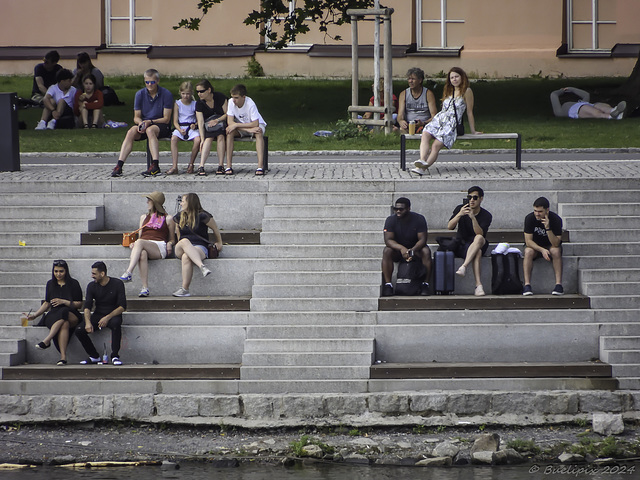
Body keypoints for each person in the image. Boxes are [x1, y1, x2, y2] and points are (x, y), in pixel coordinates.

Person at [411, 67, 479, 175]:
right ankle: (422, 160)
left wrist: (473, 130)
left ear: (462, 77)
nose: (454, 79)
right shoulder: (449, 90)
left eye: (456, 76)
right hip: (439, 119)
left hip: (451, 124)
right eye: (452, 77)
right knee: (425, 134)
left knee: (436, 146)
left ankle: (422, 169)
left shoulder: (467, 91)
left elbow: (469, 112)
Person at [110, 69, 173, 178]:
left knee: (150, 130)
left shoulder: (166, 94)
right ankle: (119, 165)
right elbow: (136, 116)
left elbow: (166, 118)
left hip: (160, 125)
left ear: (157, 81)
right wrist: (140, 123)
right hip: (146, 123)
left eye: (152, 82)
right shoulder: (139, 94)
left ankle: (155, 165)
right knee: (131, 132)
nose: (149, 84)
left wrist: (150, 122)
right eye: (147, 82)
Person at [24, 260, 82, 366]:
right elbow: (47, 303)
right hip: (54, 314)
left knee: (64, 311)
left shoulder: (74, 283)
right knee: (64, 323)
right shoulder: (50, 284)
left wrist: (64, 301)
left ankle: (47, 340)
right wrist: (35, 315)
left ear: (66, 271)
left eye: (61, 271)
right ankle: (63, 357)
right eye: (56, 271)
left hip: (71, 312)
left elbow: (79, 304)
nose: (58, 274)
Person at [119, 191, 176, 297]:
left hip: (158, 246)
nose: (147, 202)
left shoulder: (168, 218)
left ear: (155, 203)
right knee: (142, 254)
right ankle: (145, 288)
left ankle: (129, 271)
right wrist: (134, 244)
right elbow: (141, 236)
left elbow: (172, 238)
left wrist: (170, 243)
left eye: (149, 200)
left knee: (139, 242)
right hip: (144, 244)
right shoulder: (143, 217)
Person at [76, 261, 127, 365]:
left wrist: (107, 317)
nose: (92, 276)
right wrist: (88, 322)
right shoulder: (91, 286)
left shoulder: (117, 284)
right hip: (98, 314)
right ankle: (94, 356)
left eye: (94, 274)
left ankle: (115, 356)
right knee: (79, 330)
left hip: (113, 314)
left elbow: (122, 307)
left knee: (116, 324)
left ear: (102, 274)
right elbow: (87, 306)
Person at [172, 193, 222, 297]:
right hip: (180, 247)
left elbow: (215, 228)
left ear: (189, 203)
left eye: (183, 201)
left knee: (186, 257)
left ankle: (184, 289)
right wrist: (180, 243)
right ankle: (202, 266)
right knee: (184, 241)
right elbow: (178, 231)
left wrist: (219, 242)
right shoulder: (179, 216)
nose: (181, 204)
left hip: (199, 247)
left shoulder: (203, 216)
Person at [381, 197, 432, 296]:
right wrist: (401, 248)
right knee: (387, 251)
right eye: (396, 209)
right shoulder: (390, 220)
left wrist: (411, 251)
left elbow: (422, 239)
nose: (398, 211)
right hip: (398, 250)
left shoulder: (419, 219)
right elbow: (388, 240)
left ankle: (425, 284)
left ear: (408, 208)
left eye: (401, 209)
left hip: (415, 249)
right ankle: (388, 285)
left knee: (426, 251)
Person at [447, 186, 492, 296]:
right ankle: (478, 285)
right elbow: (449, 227)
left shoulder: (486, 215)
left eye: (475, 197)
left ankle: (464, 266)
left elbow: (480, 233)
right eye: (469, 197)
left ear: (481, 199)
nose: (472, 200)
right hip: (462, 244)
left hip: (478, 242)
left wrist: (472, 218)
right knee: (478, 252)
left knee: (479, 238)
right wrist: (459, 214)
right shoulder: (460, 209)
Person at [523, 197, 564, 296]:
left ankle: (558, 285)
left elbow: (556, 243)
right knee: (528, 251)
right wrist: (542, 250)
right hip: (536, 246)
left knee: (556, 251)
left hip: (551, 245)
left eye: (540, 211)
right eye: (535, 211)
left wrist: (548, 228)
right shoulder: (529, 218)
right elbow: (528, 241)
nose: (537, 214)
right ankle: (527, 285)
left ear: (547, 210)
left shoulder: (556, 220)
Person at [225, 84, 267, 176]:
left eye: (236, 98)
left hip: (255, 125)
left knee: (258, 131)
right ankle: (228, 166)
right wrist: (245, 129)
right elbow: (230, 122)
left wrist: (236, 125)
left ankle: (260, 166)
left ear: (243, 97)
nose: (234, 100)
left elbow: (255, 123)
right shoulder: (231, 102)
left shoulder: (250, 103)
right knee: (230, 132)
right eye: (232, 97)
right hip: (242, 127)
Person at [195, 79, 229, 176]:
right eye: (197, 92)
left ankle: (221, 165)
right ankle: (201, 166)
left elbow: (228, 113)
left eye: (201, 91)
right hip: (208, 125)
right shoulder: (199, 103)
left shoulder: (220, 97)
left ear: (209, 90)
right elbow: (200, 121)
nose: (199, 94)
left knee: (221, 136)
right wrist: (202, 139)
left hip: (221, 122)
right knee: (208, 138)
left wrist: (217, 120)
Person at [167, 81, 201, 175]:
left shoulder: (195, 104)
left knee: (197, 140)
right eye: (183, 94)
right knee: (173, 139)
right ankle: (174, 166)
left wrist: (195, 124)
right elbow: (175, 121)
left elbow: (199, 119)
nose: (185, 96)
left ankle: (191, 163)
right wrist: (179, 129)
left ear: (191, 93)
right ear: (180, 93)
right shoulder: (177, 104)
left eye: (187, 94)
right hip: (180, 126)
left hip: (191, 127)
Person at [395, 67, 436, 134]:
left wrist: (424, 123)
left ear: (420, 80)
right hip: (409, 124)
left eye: (413, 79)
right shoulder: (403, 94)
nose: (410, 81)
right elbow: (400, 115)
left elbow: (434, 116)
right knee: (402, 130)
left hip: (425, 124)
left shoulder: (428, 94)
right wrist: (401, 121)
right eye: (409, 79)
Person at [550, 87, 625, 120]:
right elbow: (553, 95)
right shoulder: (559, 112)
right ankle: (611, 116)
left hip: (584, 105)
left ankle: (613, 111)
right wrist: (561, 91)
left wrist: (572, 89)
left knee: (599, 105)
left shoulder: (581, 102)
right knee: (595, 112)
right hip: (576, 110)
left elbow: (586, 95)